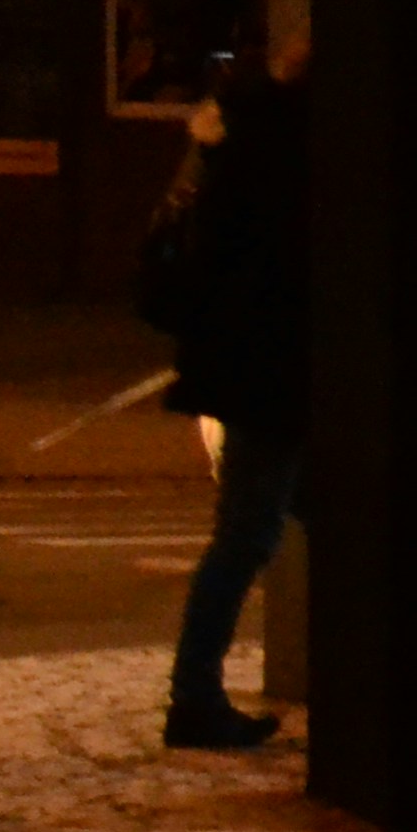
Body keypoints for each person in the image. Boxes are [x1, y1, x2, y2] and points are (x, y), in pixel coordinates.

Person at [144, 49, 312, 748]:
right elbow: (284, 265)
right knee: (247, 532)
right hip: (274, 371)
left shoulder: (244, 132)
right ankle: (194, 695)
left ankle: (197, 693)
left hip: (252, 367)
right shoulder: (286, 149)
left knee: (263, 525)